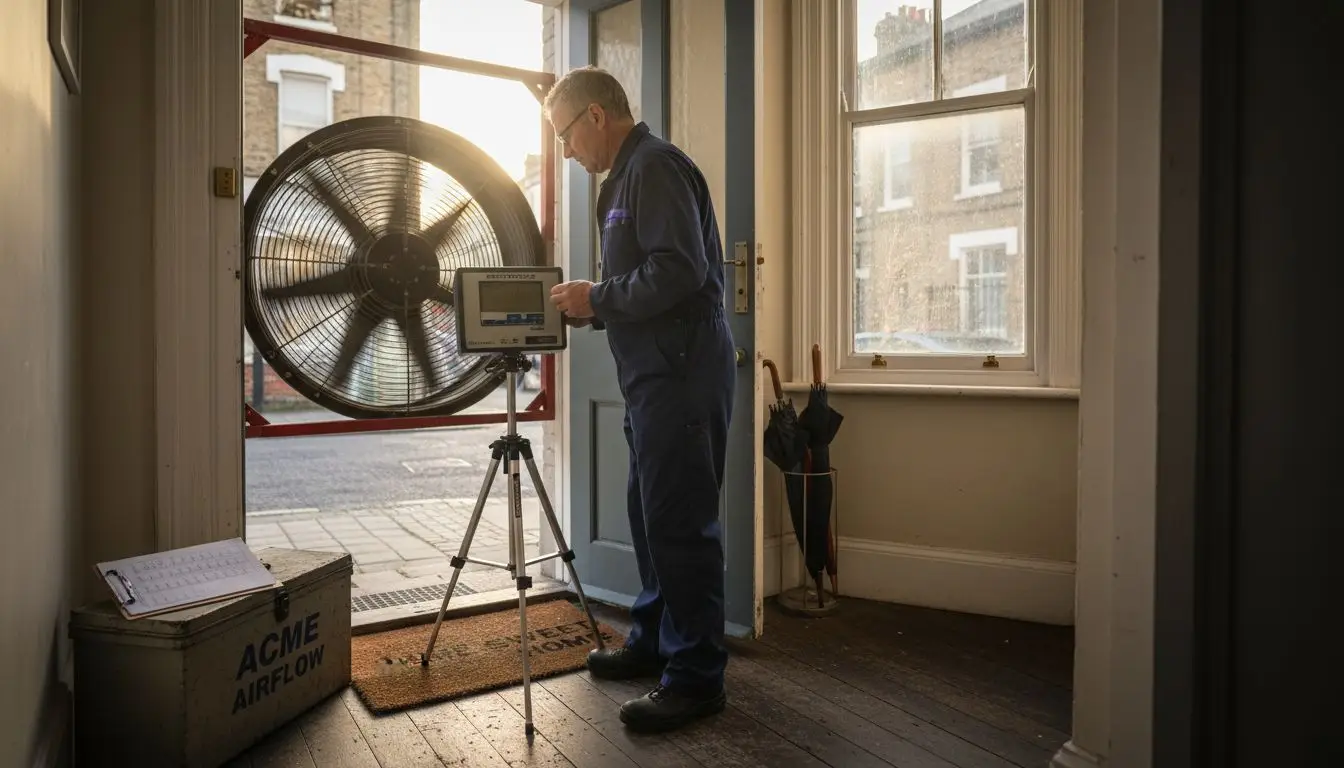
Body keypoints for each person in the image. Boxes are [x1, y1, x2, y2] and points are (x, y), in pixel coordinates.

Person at [544, 66, 735, 733]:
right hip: (653, 375)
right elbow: (649, 271)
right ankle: (654, 639)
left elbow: (680, 270)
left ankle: (695, 677)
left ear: (595, 116)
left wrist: (594, 297)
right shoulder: (625, 178)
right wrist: (597, 299)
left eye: (565, 135)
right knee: (650, 512)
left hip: (679, 373)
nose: (566, 152)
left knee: (680, 521)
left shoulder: (653, 167)